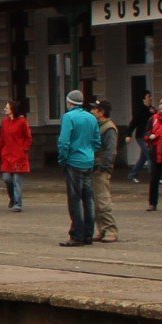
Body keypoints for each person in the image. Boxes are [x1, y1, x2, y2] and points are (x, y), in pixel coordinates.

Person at [56, 90, 100, 246]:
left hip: (74, 162)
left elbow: (63, 142)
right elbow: (97, 140)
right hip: (88, 160)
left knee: (75, 200)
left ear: (69, 103)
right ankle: (89, 234)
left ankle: (77, 235)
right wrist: (91, 153)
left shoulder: (68, 117)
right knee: (88, 198)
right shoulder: (91, 118)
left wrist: (63, 159)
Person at [90, 99, 120, 243]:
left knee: (102, 199)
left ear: (101, 112)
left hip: (100, 169)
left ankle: (111, 229)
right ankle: (101, 228)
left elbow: (110, 151)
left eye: (94, 109)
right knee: (95, 200)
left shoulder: (108, 128)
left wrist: (103, 166)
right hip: (94, 167)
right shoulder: (98, 126)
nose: (91, 111)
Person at [0, 101, 33, 210]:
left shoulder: (22, 121)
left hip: (18, 156)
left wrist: (23, 149)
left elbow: (28, 138)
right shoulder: (5, 122)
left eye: (7, 107)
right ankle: (13, 197)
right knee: (6, 178)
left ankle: (17, 203)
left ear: (13, 109)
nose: (5, 109)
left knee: (17, 180)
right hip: (7, 156)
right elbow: (1, 141)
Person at [128, 90, 155, 184]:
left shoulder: (152, 109)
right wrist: (128, 134)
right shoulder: (140, 110)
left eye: (151, 96)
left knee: (143, 157)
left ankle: (132, 174)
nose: (151, 98)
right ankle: (155, 176)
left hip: (149, 136)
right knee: (150, 154)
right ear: (144, 99)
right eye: (149, 96)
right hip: (141, 136)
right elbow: (133, 123)